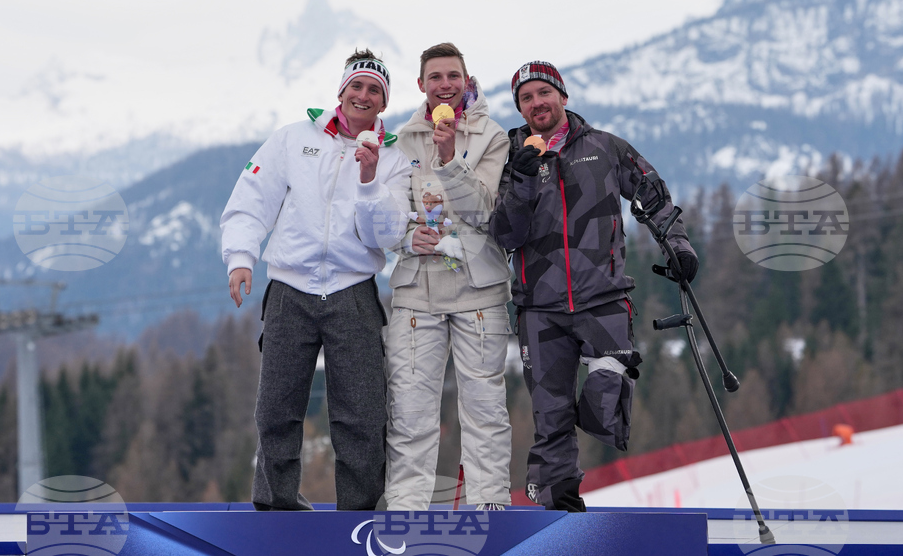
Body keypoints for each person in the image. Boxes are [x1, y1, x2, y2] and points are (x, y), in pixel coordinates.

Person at [489, 61, 698, 512]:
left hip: (603, 297)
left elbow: (653, 196)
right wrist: (523, 179)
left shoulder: (604, 147)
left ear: (563, 97)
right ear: (520, 109)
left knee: (608, 395)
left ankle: (587, 422)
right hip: (539, 307)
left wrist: (678, 246)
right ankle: (558, 505)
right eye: (526, 99)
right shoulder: (512, 159)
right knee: (551, 415)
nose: (536, 103)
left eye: (543, 93)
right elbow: (505, 234)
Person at [220, 49, 411, 511]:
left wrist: (369, 182)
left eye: (375, 91)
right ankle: (275, 506)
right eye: (357, 86)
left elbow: (387, 235)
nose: (363, 96)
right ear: (341, 92)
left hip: (353, 292)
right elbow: (252, 196)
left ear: (383, 104)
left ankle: (359, 515)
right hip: (290, 289)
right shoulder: (292, 139)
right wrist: (241, 256)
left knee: (362, 415)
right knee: (275, 409)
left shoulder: (394, 157)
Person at [384, 43, 513, 510]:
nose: (445, 85)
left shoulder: (492, 136)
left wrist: (449, 157)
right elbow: (389, 214)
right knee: (411, 413)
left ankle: (490, 509)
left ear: (466, 80)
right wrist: (404, 237)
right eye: (435, 77)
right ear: (421, 85)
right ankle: (405, 512)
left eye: (452, 76)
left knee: (483, 411)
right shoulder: (402, 139)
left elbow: (484, 212)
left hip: (479, 289)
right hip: (417, 292)